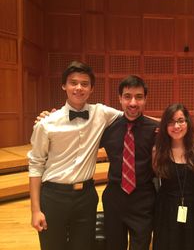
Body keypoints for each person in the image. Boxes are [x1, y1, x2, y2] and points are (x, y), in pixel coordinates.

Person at [28, 61, 123, 250]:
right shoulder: (46, 123)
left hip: (86, 197)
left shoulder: (101, 113)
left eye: (84, 83)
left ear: (91, 88)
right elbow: (36, 165)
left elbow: (134, 117)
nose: (79, 88)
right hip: (54, 196)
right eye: (73, 82)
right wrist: (35, 210)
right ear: (64, 85)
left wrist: (169, 122)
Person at [100, 75, 159, 250]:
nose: (133, 103)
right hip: (114, 198)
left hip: (143, 199)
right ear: (120, 98)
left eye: (139, 97)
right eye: (127, 96)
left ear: (145, 99)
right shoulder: (108, 129)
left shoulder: (155, 130)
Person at [152, 103, 194, 250]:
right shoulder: (158, 151)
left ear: (187, 122)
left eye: (180, 120)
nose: (176, 126)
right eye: (171, 122)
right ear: (165, 125)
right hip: (167, 210)